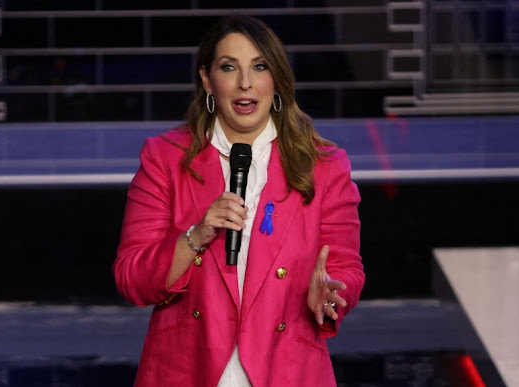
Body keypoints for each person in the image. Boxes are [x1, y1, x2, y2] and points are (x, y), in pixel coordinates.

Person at [113, 14, 364, 387]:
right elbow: (132, 278)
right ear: (207, 80)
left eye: (259, 67)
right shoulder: (165, 158)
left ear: (276, 79)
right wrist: (196, 235)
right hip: (186, 370)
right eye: (229, 67)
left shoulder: (324, 165)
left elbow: (346, 269)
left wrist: (329, 293)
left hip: (287, 371)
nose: (245, 83)